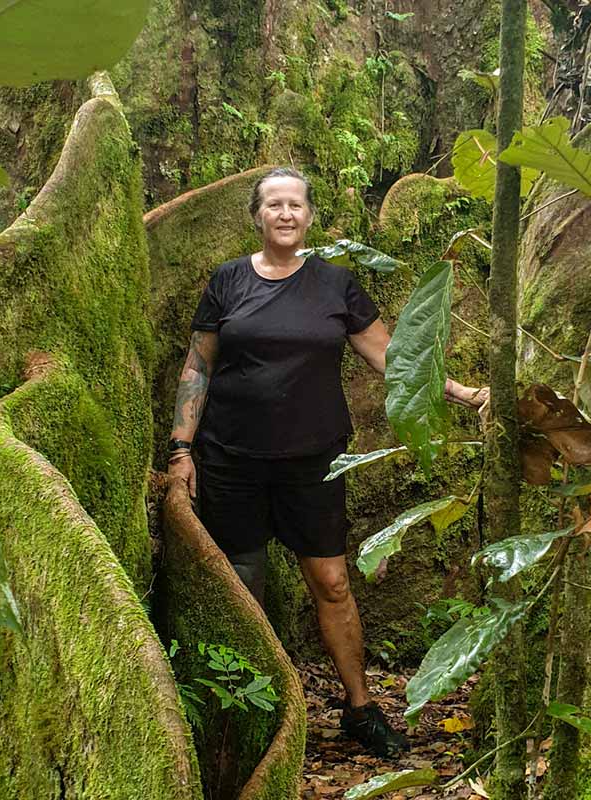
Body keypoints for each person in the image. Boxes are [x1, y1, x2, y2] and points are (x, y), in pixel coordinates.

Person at [166, 166, 487, 757]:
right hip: (231, 460)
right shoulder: (228, 281)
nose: (285, 214)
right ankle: (255, 713)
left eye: (295, 205)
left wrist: (464, 393)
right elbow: (198, 367)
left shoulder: (336, 284)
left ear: (310, 215)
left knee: (333, 582)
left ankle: (360, 707)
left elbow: (393, 359)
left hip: (314, 462)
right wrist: (181, 450)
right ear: (256, 216)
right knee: (242, 583)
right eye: (273, 205)